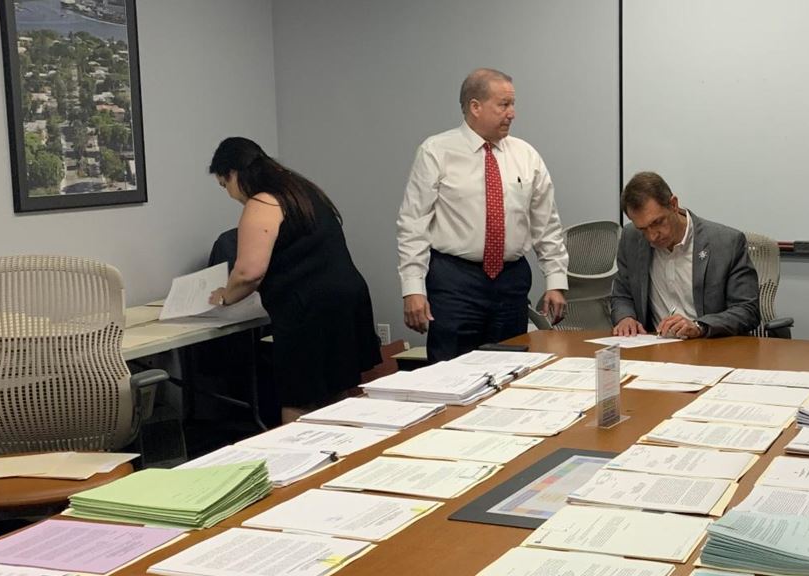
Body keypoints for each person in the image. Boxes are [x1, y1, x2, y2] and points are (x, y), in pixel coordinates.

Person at [397, 68, 569, 362]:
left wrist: (555, 281)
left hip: (510, 281)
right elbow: (413, 224)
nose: (512, 113)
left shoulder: (526, 156)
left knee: (509, 368)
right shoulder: (436, 151)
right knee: (451, 371)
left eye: (513, 104)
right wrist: (412, 288)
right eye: (503, 104)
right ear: (475, 107)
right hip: (454, 281)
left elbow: (547, 224)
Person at [207, 137, 381, 425]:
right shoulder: (300, 189)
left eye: (224, 185)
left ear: (233, 173)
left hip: (308, 310)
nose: (229, 194)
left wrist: (225, 296)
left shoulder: (262, 201)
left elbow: (249, 271)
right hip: (346, 299)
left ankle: (299, 464)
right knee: (338, 394)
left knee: (299, 402)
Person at [611, 171, 760, 338]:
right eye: (643, 229)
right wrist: (625, 317)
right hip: (653, 350)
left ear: (673, 205)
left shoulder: (727, 243)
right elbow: (622, 294)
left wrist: (700, 326)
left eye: (657, 222)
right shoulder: (631, 237)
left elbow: (747, 310)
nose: (652, 236)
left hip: (708, 347)